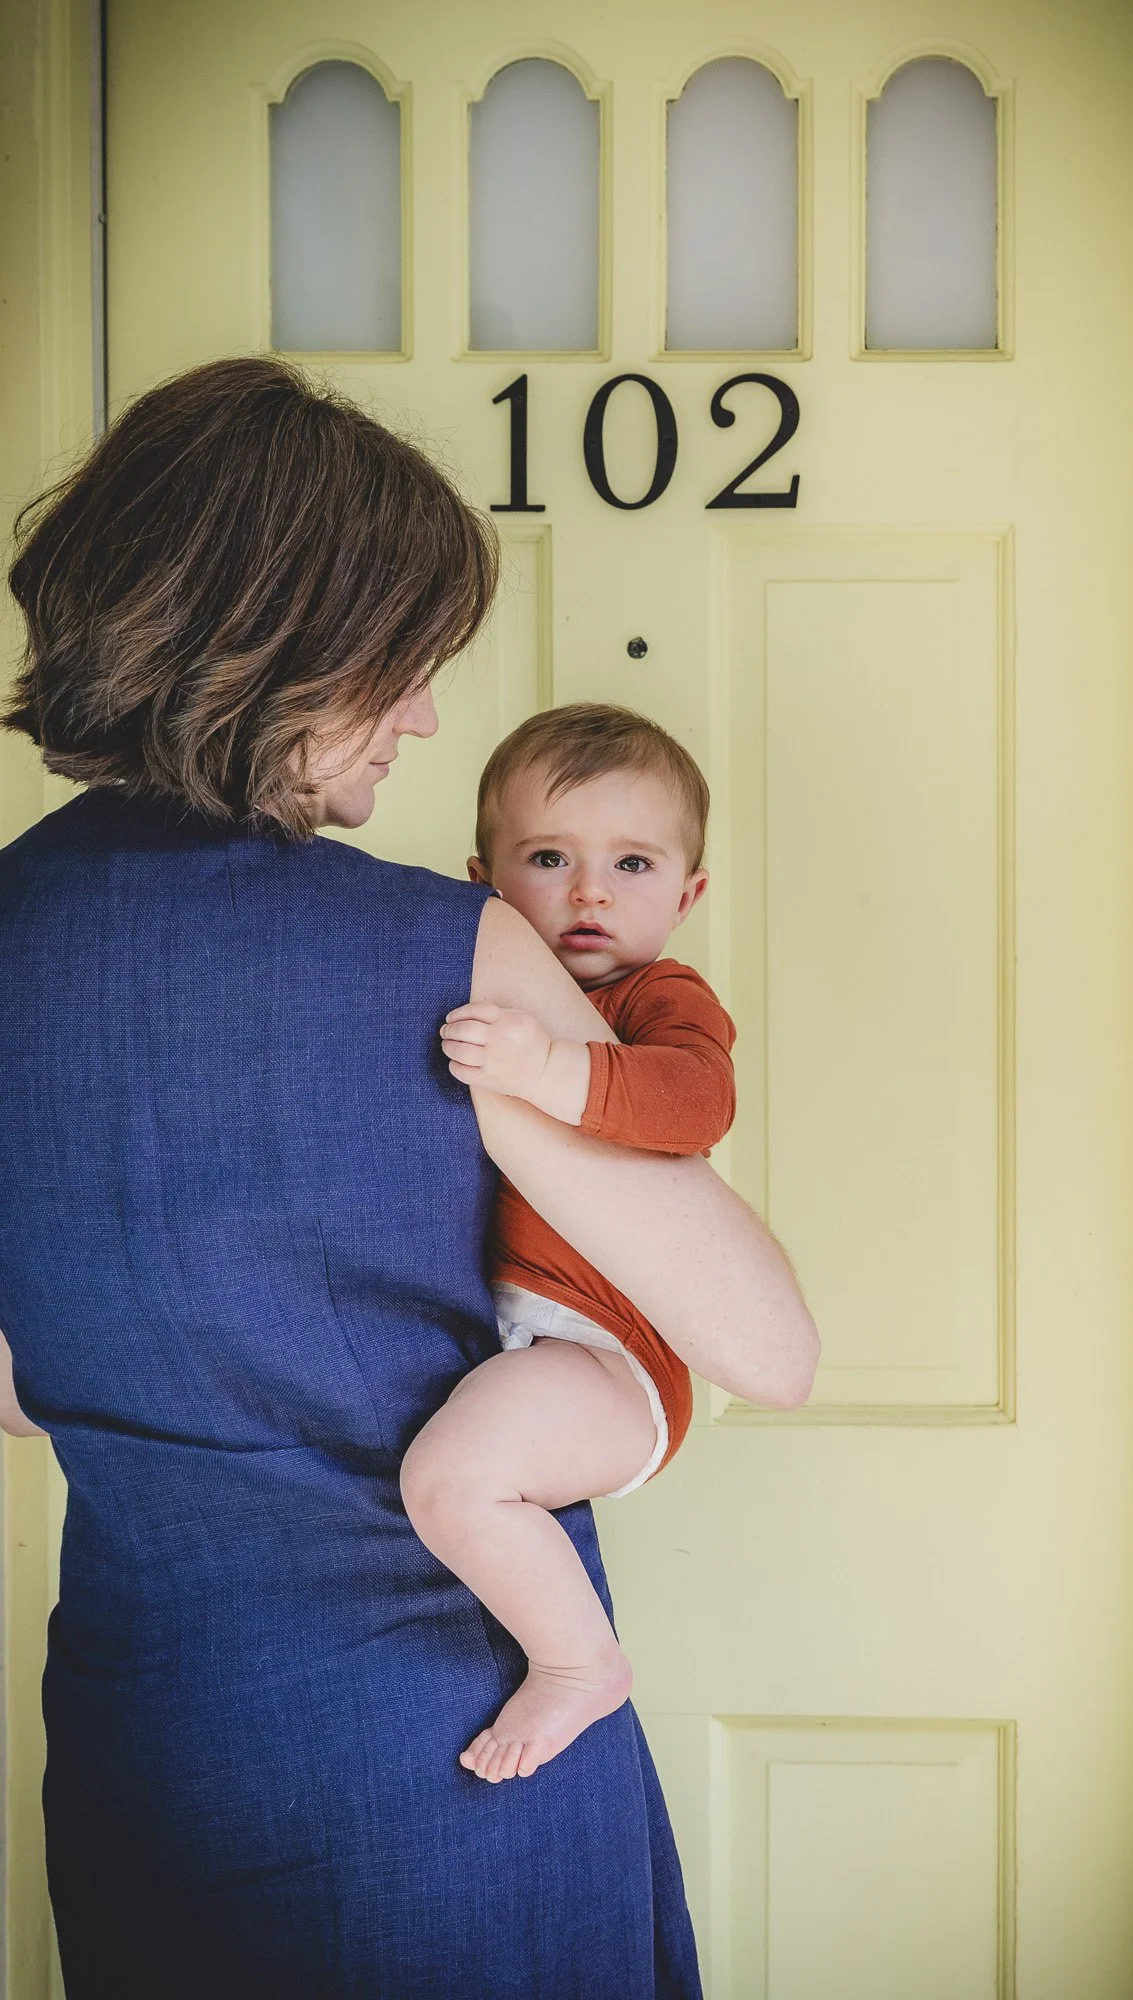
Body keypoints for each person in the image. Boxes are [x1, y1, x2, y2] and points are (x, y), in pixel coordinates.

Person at [0, 355, 819, 1999]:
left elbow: (22, 1394)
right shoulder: (442, 950)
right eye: (403, 664)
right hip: (446, 1744)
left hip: (144, 1742)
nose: (430, 713)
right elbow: (764, 1350)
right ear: (282, 649)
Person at [402, 703, 737, 1783]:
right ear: (481, 880)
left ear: (685, 895)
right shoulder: (463, 983)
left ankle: (577, 1659)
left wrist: (550, 1067)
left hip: (611, 1351)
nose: (590, 891)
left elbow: (695, 1103)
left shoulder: (657, 996)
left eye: (632, 862)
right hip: (513, 1337)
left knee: (454, 1479)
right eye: (549, 857)